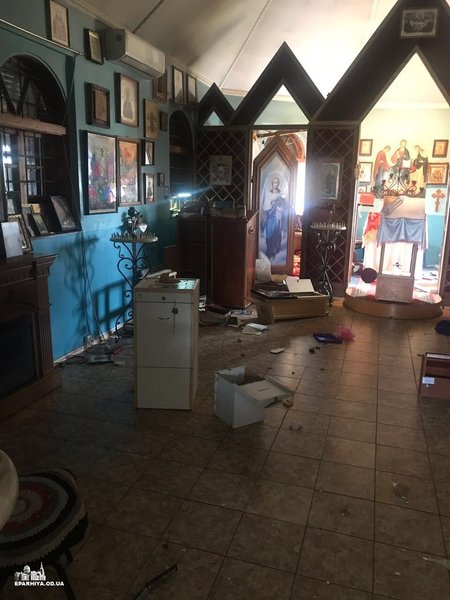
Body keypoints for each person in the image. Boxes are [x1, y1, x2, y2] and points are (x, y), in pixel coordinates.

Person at [260, 173, 287, 260]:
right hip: (270, 218)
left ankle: (275, 252)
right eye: (274, 182)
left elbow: (284, 207)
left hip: (278, 219)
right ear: (272, 183)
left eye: (277, 182)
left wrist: (279, 204)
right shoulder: (268, 193)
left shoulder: (281, 194)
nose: (275, 184)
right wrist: (272, 204)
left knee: (277, 234)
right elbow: (265, 206)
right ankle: (269, 252)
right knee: (269, 235)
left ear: (278, 183)